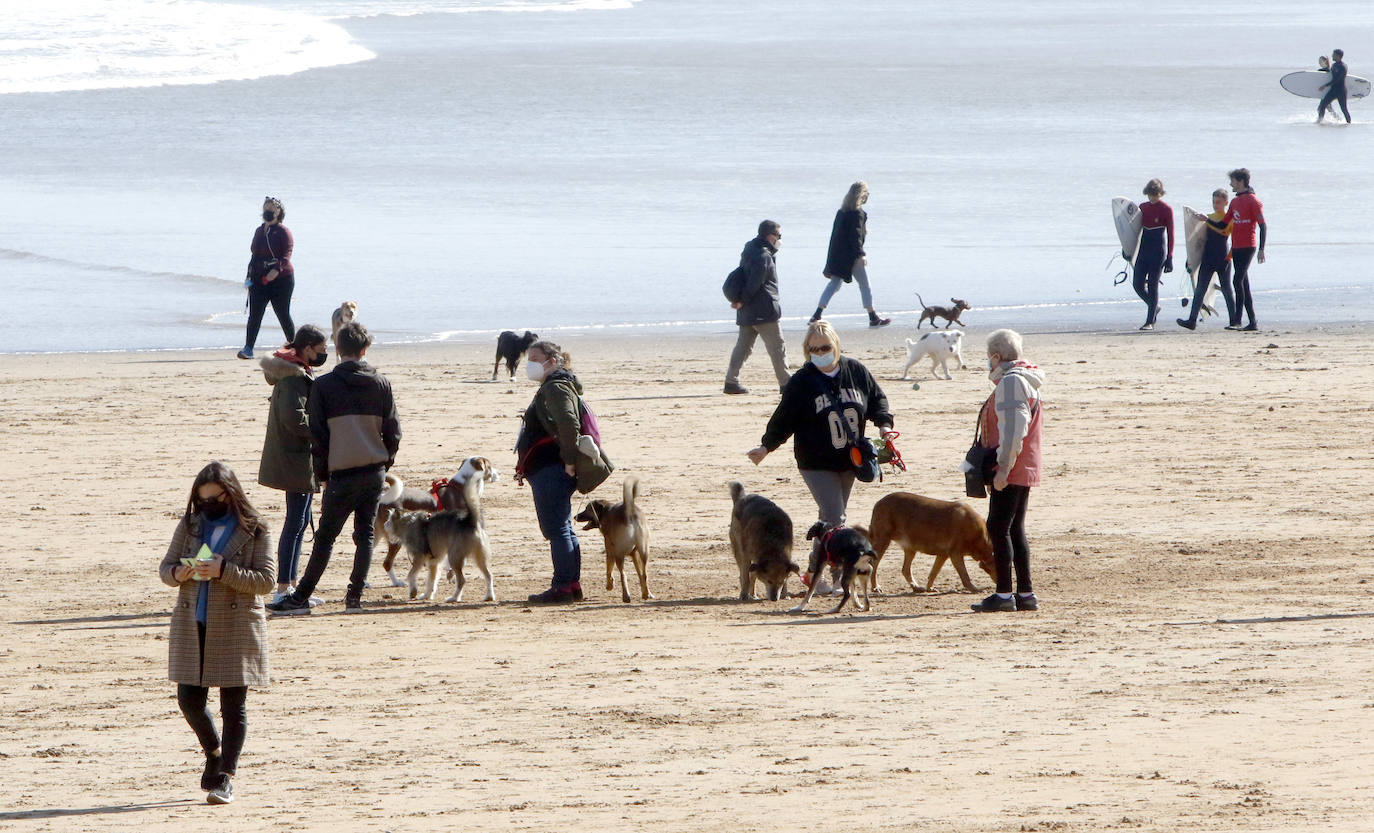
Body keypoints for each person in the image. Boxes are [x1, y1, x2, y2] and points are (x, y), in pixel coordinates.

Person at [159, 461, 273, 804]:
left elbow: (266, 582)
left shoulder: (256, 528)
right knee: (188, 700)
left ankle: (226, 776)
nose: (209, 505)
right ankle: (214, 751)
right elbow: (165, 568)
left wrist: (224, 570)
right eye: (203, 499)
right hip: (193, 621)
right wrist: (179, 573)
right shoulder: (191, 524)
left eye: (215, 498)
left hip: (237, 624)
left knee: (233, 706)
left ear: (231, 493)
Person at [267, 321, 400, 614]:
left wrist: (324, 473)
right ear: (365, 350)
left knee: (325, 539)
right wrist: (384, 461)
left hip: (342, 472)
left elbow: (319, 436)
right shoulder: (381, 383)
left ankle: (300, 597)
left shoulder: (325, 385)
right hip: (373, 469)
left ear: (338, 349)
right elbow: (394, 432)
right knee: (364, 534)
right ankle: (353, 599)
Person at [747, 320, 894, 584]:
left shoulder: (855, 371)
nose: (819, 353)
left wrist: (884, 426)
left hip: (850, 460)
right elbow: (784, 418)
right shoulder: (803, 382)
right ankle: (836, 576)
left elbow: (876, 399)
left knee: (828, 520)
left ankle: (813, 574)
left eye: (824, 347)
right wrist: (765, 446)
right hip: (815, 463)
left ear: (836, 346)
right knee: (836, 518)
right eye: (813, 349)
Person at [514, 340, 614, 604]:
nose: (531, 365)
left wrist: (569, 461)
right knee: (563, 528)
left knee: (556, 529)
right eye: (529, 359)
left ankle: (563, 586)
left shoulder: (556, 387)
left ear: (553, 361)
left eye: (536, 359)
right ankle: (571, 585)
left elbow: (569, 424)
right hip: (552, 468)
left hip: (552, 468)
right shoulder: (557, 386)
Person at [970, 330, 1045, 613]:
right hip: (1025, 465)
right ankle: (1025, 593)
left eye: (989, 358)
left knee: (998, 528)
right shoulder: (1026, 380)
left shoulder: (1012, 383)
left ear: (996, 356)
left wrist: (1003, 467)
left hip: (1013, 466)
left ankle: (1004, 594)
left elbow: (1014, 429)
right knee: (1014, 528)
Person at [256, 324, 328, 605]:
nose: (324, 355)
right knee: (295, 522)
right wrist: (322, 426)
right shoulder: (293, 376)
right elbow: (294, 419)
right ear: (307, 348)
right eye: (321, 350)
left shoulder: (297, 371)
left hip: (299, 458)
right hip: (294, 459)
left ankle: (293, 585)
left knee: (301, 521)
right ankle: (284, 586)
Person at [809, 181, 891, 328]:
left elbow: (834, 238)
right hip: (852, 256)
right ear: (862, 195)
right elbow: (856, 236)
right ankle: (873, 317)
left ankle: (816, 315)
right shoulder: (857, 214)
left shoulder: (842, 212)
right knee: (865, 285)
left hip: (838, 256)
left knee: (834, 284)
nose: (868, 195)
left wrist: (829, 264)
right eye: (867, 193)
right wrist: (861, 254)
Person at [724, 220, 791, 395]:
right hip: (763, 310)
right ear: (770, 236)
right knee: (777, 347)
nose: (780, 240)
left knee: (743, 347)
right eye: (779, 236)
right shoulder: (763, 256)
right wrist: (742, 301)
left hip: (747, 311)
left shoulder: (749, 249)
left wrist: (741, 302)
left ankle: (731, 381)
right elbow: (755, 283)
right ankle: (786, 384)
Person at [239, 196, 296, 360]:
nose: (268, 211)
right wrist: (249, 276)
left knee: (283, 314)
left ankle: (294, 347)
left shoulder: (284, 232)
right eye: (266, 208)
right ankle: (248, 348)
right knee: (255, 314)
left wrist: (276, 270)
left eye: (272, 208)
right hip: (259, 279)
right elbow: (254, 254)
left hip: (282, 280)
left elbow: (287, 255)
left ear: (279, 212)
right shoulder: (259, 230)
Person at [1177, 189, 1238, 330]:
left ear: (1226, 203)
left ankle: (1234, 321)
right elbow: (1197, 240)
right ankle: (1192, 320)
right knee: (1200, 289)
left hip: (1223, 259)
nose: (1215, 205)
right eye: (1213, 202)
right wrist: (1191, 257)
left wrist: (1229, 257)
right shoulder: (1207, 217)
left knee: (1227, 289)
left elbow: (1235, 240)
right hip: (1208, 257)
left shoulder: (1228, 219)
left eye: (1218, 202)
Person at [1225, 168, 1266, 331]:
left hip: (1249, 246)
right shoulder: (1234, 202)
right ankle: (1252, 321)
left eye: (1233, 181)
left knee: (1237, 280)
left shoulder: (1253, 200)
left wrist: (1262, 249)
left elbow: (1263, 226)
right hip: (1236, 247)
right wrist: (1205, 220)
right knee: (1244, 285)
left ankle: (1236, 320)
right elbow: (1223, 223)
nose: (1230, 184)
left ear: (1240, 181)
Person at [1131, 179, 1174, 331]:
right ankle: (1154, 306)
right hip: (1143, 250)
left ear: (1160, 194)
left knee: (1153, 285)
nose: (1152, 198)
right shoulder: (1142, 207)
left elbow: (1171, 235)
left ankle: (1150, 321)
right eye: (1150, 195)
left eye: (1155, 195)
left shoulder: (1166, 209)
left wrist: (1170, 257)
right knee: (1137, 284)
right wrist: (1128, 249)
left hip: (1158, 251)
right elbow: (1133, 231)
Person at [1317, 49, 1351, 125]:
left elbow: (1337, 80)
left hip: (1341, 90)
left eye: (1334, 54)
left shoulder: (1343, 67)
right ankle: (1320, 121)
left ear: (1338, 56)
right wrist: (1326, 66)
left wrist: (1325, 86)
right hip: (1333, 90)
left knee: (1344, 109)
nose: (1332, 56)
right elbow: (1330, 73)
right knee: (1322, 106)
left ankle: (1349, 124)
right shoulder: (1334, 65)